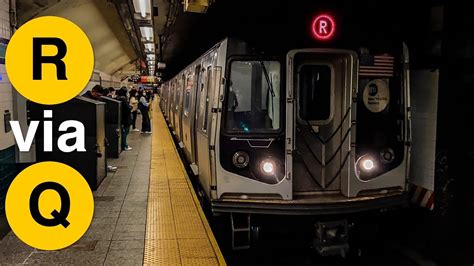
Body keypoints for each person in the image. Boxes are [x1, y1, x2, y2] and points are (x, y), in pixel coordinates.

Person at [82, 85, 118, 172]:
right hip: (88, 131)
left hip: (99, 129)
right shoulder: (84, 99)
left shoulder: (98, 100)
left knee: (102, 148)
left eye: (100, 96)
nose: (99, 97)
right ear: (93, 91)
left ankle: (104, 166)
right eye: (97, 95)